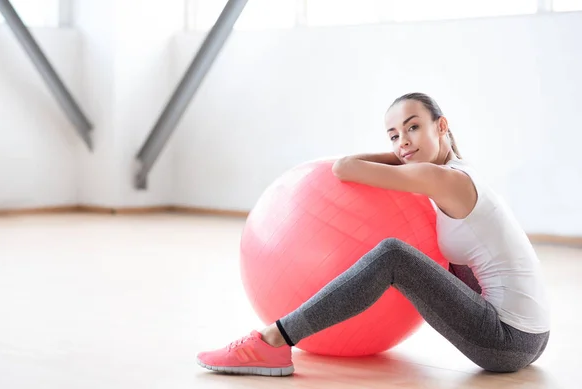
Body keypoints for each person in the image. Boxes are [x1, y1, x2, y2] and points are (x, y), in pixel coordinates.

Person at [196, 92, 551, 376]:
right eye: (393, 135)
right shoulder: (460, 173)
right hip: (533, 337)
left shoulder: (441, 178)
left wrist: (402, 156)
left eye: (413, 128)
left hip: (507, 341)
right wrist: (407, 151)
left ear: (442, 126)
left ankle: (272, 340)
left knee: (394, 256)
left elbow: (344, 168)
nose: (402, 142)